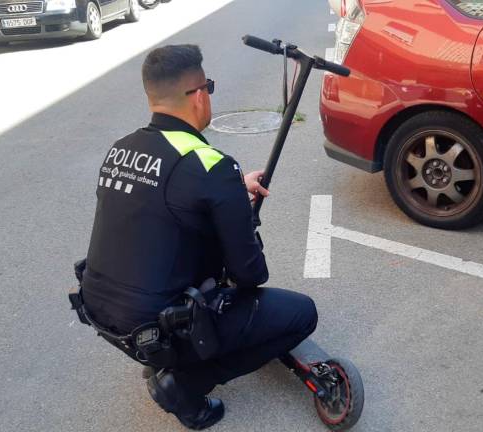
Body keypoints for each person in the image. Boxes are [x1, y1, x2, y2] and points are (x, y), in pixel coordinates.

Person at [79, 44, 318, 430]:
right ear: (200, 94)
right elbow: (250, 275)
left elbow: (161, 202)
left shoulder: (120, 149)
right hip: (156, 327)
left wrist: (232, 191)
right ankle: (184, 384)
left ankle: (170, 361)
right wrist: (233, 206)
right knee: (302, 314)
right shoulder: (212, 167)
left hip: (101, 312)